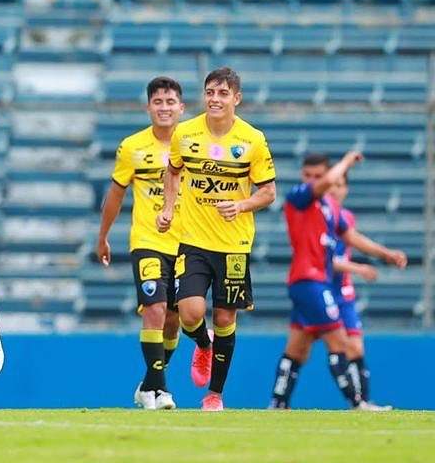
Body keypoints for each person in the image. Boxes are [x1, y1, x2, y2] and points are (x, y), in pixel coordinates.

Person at [157, 67, 276, 411]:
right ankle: (202, 344)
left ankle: (214, 394)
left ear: (236, 98)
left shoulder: (252, 139)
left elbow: (268, 192)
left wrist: (241, 204)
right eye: (210, 92)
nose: (215, 99)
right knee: (191, 313)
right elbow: (173, 170)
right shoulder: (186, 133)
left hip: (234, 245)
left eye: (223, 94)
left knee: (225, 318)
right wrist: (168, 208)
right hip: (193, 240)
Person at [269, 160, 407, 409]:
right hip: (311, 282)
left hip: (322, 286)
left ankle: (278, 402)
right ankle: (358, 402)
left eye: (319, 175)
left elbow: (352, 238)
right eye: (308, 175)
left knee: (298, 347)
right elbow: (334, 257)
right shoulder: (300, 198)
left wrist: (385, 254)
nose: (314, 180)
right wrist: (346, 161)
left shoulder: (331, 209)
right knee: (341, 342)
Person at [97, 77, 185, 410]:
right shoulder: (132, 147)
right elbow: (116, 195)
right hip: (147, 240)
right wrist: (103, 236)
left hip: (186, 243)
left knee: (176, 319)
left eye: (170, 102)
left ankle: (149, 384)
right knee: (155, 310)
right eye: (158, 102)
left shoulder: (192, 143)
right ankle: (159, 391)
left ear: (181, 107)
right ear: (148, 107)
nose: (164, 108)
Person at [328, 174, 405, 409]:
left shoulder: (346, 218)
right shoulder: (320, 217)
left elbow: (354, 243)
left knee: (356, 348)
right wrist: (360, 268)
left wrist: (386, 254)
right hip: (322, 290)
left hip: (345, 292)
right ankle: (280, 400)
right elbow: (325, 259)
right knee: (313, 347)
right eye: (332, 186)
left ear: (347, 190)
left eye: (340, 186)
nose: (335, 191)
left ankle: (362, 402)